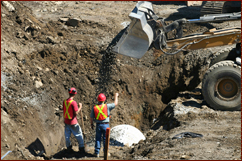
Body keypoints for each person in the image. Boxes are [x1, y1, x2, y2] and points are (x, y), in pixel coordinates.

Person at [90, 93, 119, 157]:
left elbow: (91, 117)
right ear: (104, 100)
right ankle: (106, 152)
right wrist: (116, 96)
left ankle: (96, 152)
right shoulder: (107, 106)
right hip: (106, 125)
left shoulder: (94, 107)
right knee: (106, 139)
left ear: (98, 100)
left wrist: (91, 124)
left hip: (98, 125)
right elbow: (115, 103)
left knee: (98, 138)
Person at [63, 87, 85, 155]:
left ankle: (69, 148)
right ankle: (81, 148)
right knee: (79, 135)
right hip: (73, 122)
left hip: (66, 122)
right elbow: (76, 113)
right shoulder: (73, 102)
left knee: (67, 136)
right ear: (74, 94)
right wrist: (80, 107)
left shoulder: (64, 101)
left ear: (69, 93)